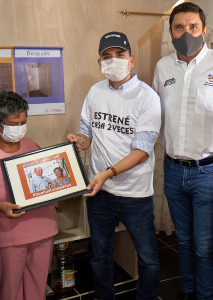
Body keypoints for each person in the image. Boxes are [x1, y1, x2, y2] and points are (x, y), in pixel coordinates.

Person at [151, 2, 213, 299]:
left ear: (205, 30)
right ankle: (187, 289)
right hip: (172, 169)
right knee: (183, 240)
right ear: (170, 32)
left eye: (193, 27)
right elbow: (155, 111)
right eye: (179, 27)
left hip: (208, 171)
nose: (186, 32)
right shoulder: (163, 66)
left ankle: (205, 295)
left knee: (205, 244)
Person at [66, 31, 161, 300]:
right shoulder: (95, 92)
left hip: (134, 193)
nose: (114, 60)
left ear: (131, 60)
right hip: (101, 193)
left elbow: (142, 151)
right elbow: (87, 133)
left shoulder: (147, 97)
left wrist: (107, 174)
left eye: (120, 55)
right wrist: (79, 140)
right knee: (100, 255)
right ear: (99, 63)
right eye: (107, 56)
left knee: (148, 258)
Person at [0, 91, 58, 300]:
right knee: (8, 293)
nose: (20, 128)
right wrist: (1, 205)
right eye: (14, 124)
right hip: (7, 236)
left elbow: (49, 181)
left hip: (42, 230)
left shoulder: (32, 145)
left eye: (23, 122)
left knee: (37, 290)